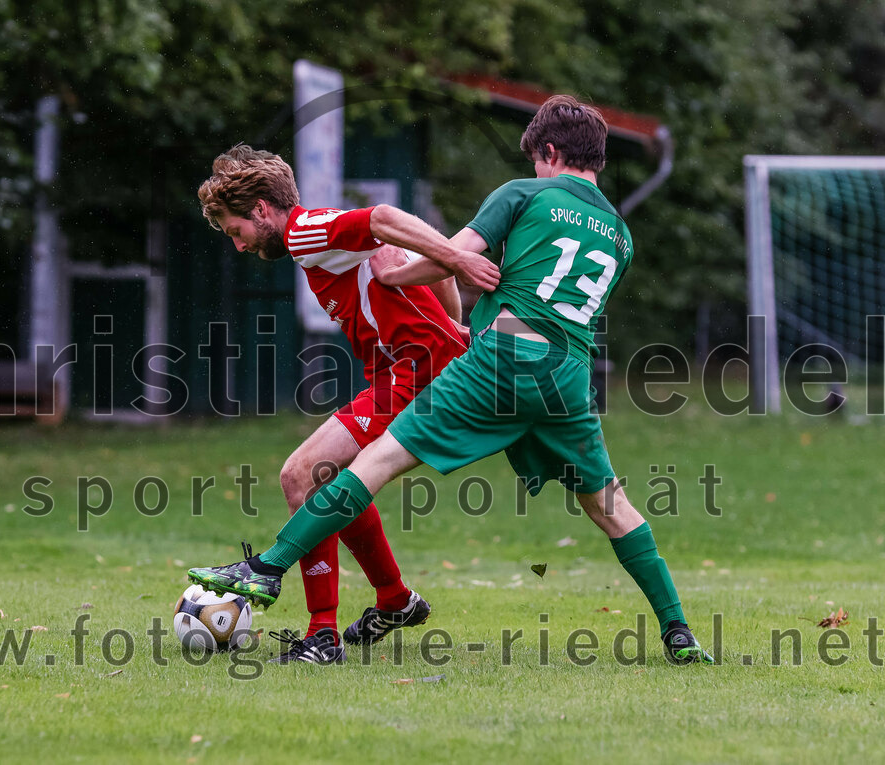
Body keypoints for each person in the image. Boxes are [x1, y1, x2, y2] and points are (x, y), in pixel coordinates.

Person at [189, 97, 714, 665]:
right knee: (610, 504)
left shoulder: (522, 195)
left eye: (236, 230)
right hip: (568, 377)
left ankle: (272, 574)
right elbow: (546, 298)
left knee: (363, 466)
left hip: (492, 364)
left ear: (550, 152)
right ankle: (679, 632)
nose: (238, 243)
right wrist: (447, 307)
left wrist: (418, 276)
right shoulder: (619, 233)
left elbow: (444, 250)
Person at [194, 145, 497, 664]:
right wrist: (452, 317)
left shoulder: (303, 230)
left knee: (301, 475)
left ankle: (323, 634)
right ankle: (394, 600)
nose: (239, 246)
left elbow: (385, 218)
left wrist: (457, 260)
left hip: (415, 370)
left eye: (235, 231)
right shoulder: (313, 241)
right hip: (401, 370)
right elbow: (422, 250)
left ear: (261, 211)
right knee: (327, 479)